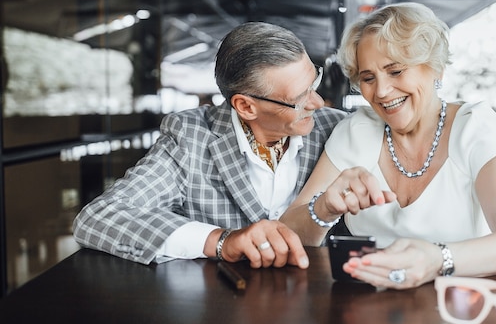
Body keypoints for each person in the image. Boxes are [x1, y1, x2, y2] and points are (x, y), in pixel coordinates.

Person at [280, 2, 496, 289]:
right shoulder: (355, 131)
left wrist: (438, 259)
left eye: (395, 71)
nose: (381, 91)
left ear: (436, 69)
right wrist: (323, 208)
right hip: (368, 310)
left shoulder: (475, 128)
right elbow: (287, 234)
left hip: (457, 310)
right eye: (368, 78)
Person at [73, 22, 346, 268]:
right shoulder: (191, 137)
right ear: (245, 106)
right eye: (300, 98)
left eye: (314, 83)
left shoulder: (338, 130)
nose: (318, 103)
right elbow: (100, 217)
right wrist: (221, 241)